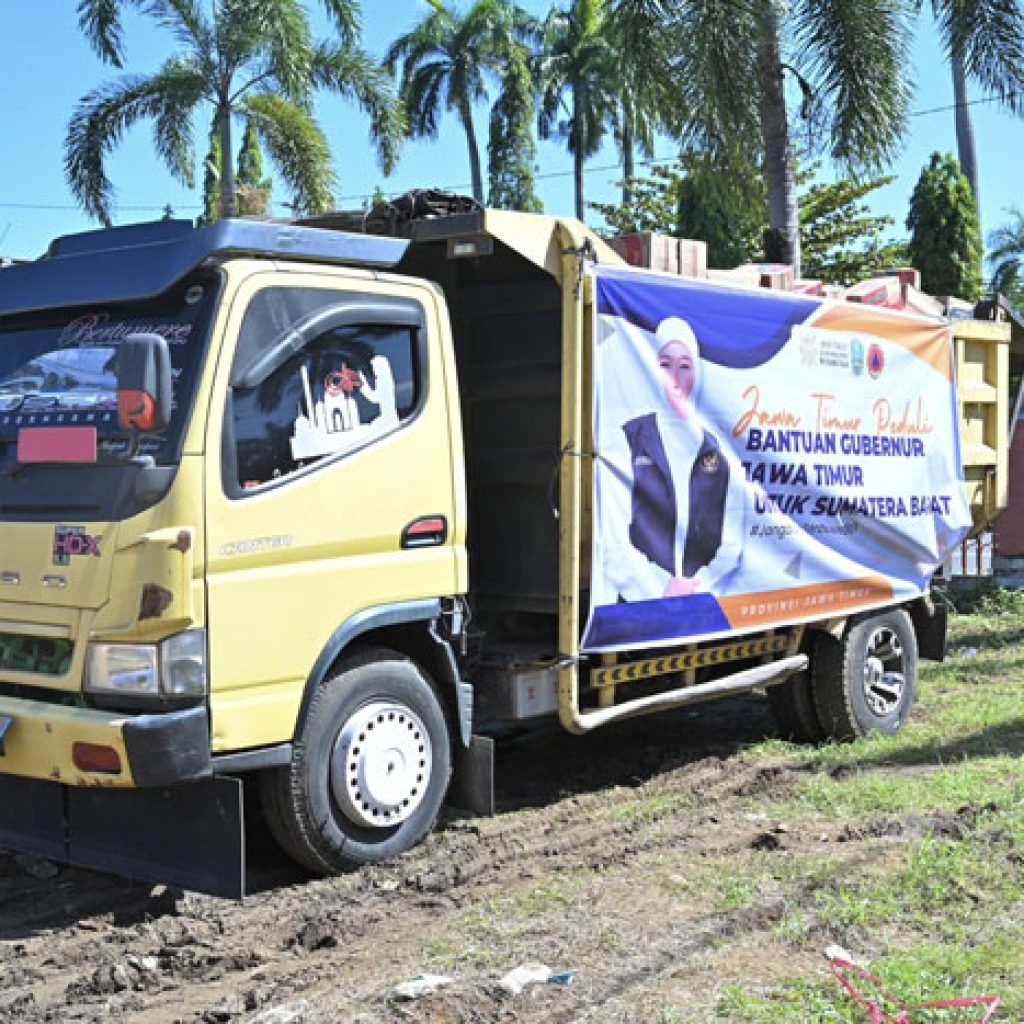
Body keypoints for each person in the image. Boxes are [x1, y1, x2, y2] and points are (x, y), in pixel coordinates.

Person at [603, 317, 745, 602]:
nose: (675, 378)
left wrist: (696, 587)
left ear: (698, 373)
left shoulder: (717, 449)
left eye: (685, 366)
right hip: (638, 603)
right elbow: (613, 537)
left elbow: (731, 542)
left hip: (702, 600)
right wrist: (659, 589)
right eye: (665, 365)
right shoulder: (628, 438)